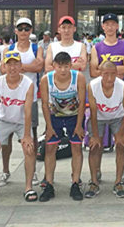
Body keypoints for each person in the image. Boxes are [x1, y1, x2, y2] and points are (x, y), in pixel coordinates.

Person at [0, 50, 36, 203]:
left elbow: (28, 110)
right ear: (3, 66)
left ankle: (28, 187)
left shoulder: (28, 84)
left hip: (21, 120)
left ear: (21, 66)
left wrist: (27, 135)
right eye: (9, 64)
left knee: (29, 149)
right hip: (3, 120)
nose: (12, 68)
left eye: (16, 64)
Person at [0, 18, 41, 188]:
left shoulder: (36, 48)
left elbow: (39, 66)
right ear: (15, 31)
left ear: (31, 31)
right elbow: (3, 69)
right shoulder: (8, 49)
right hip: (9, 99)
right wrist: (28, 66)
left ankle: (32, 171)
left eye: (26, 29)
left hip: (31, 97)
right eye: (20, 29)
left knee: (31, 136)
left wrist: (16, 67)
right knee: (6, 138)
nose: (23, 32)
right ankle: (5, 170)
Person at [39, 51, 87, 202]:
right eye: (59, 66)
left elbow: (82, 103)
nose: (63, 70)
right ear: (53, 66)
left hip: (74, 116)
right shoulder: (46, 79)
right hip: (55, 117)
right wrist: (49, 127)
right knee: (50, 148)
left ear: (71, 66)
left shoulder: (78, 77)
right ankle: (49, 184)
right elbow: (44, 105)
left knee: (77, 148)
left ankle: (75, 183)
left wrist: (79, 125)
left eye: (66, 66)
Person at [85, 60, 124, 198]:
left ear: (117, 74)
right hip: (98, 117)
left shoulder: (122, 86)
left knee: (121, 145)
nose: (109, 78)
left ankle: (118, 181)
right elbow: (93, 112)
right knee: (95, 147)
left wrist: (121, 133)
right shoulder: (92, 86)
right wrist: (94, 136)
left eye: (112, 74)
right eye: (106, 74)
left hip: (118, 116)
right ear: (100, 74)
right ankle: (94, 180)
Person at [91, 13, 124, 78]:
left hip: (120, 83)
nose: (110, 27)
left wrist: (102, 68)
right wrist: (119, 70)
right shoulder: (96, 48)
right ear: (103, 26)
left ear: (117, 26)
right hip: (102, 84)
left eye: (113, 24)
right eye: (107, 24)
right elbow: (93, 73)